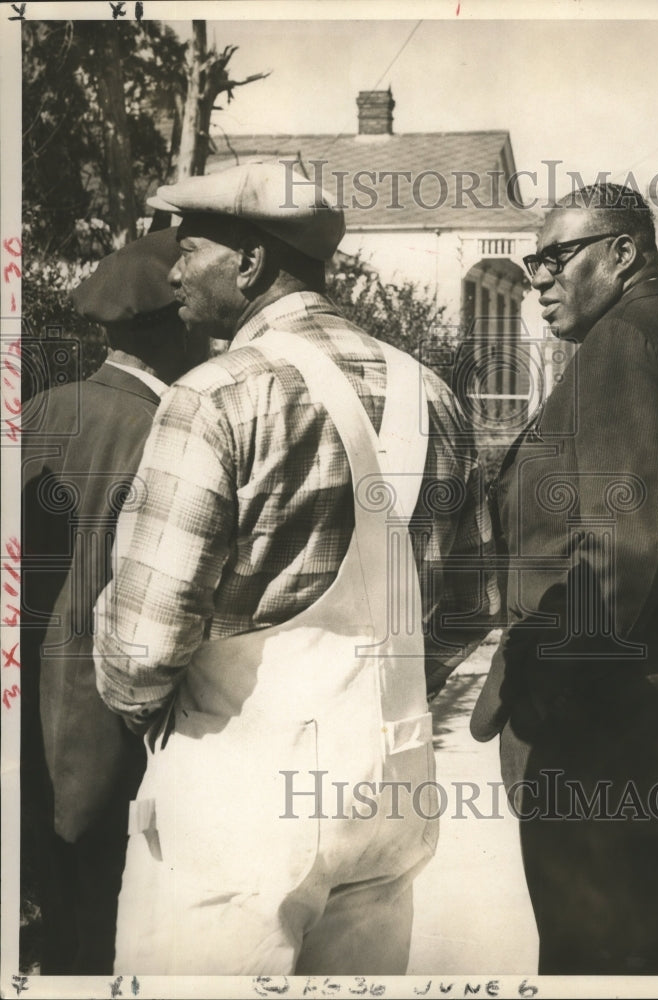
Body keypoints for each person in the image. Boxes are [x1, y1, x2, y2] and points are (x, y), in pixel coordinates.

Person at [93, 160, 497, 975]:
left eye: (189, 248)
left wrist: (167, 723)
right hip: (392, 784)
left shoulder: (214, 395)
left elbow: (138, 651)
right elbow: (471, 603)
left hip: (240, 790)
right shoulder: (433, 395)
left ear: (249, 263)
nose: (171, 271)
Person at [471, 182, 658, 975]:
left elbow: (615, 553)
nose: (537, 277)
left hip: (611, 741)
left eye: (557, 257)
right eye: (532, 261)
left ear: (623, 252)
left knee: (597, 967)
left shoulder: (623, 343)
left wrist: (543, 693)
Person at [20, 227, 208, 973]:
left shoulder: (38, 410)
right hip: (119, 727)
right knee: (108, 942)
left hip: (28, 724)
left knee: (53, 934)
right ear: (176, 327)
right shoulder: (172, 429)